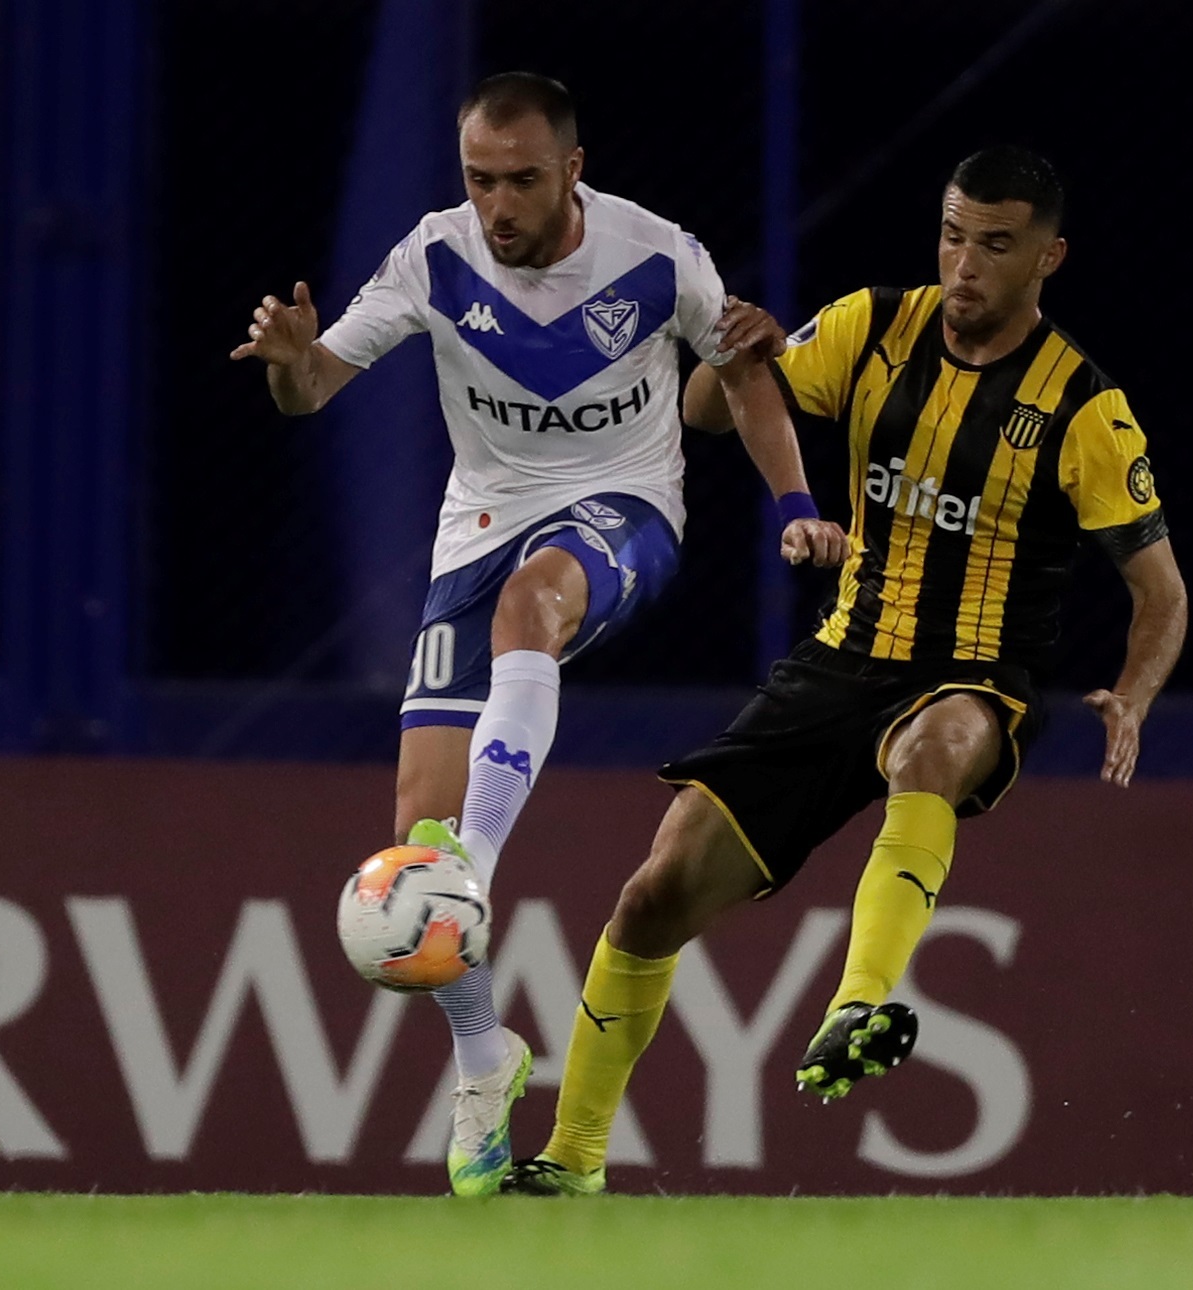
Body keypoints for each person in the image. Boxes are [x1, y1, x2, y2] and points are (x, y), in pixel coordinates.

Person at [503, 145, 1190, 1195]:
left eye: (996, 247)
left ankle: (857, 1003)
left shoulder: (1084, 408)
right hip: (839, 660)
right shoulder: (874, 324)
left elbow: (1161, 590)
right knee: (654, 895)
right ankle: (571, 1161)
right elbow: (703, 410)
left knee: (938, 745)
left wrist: (1133, 694)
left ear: (1048, 258)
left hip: (973, 667)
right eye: (955, 236)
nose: (966, 265)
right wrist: (742, 355)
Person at [229, 71, 846, 1197]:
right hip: (479, 522)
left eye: (521, 180)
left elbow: (744, 371)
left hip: (626, 510)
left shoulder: (657, 254)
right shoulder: (433, 254)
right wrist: (288, 362)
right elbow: (315, 389)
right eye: (479, 180)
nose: (498, 205)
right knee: (415, 821)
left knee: (530, 620)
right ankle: (484, 1056)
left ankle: (482, 866)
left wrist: (796, 508)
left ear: (572, 169)